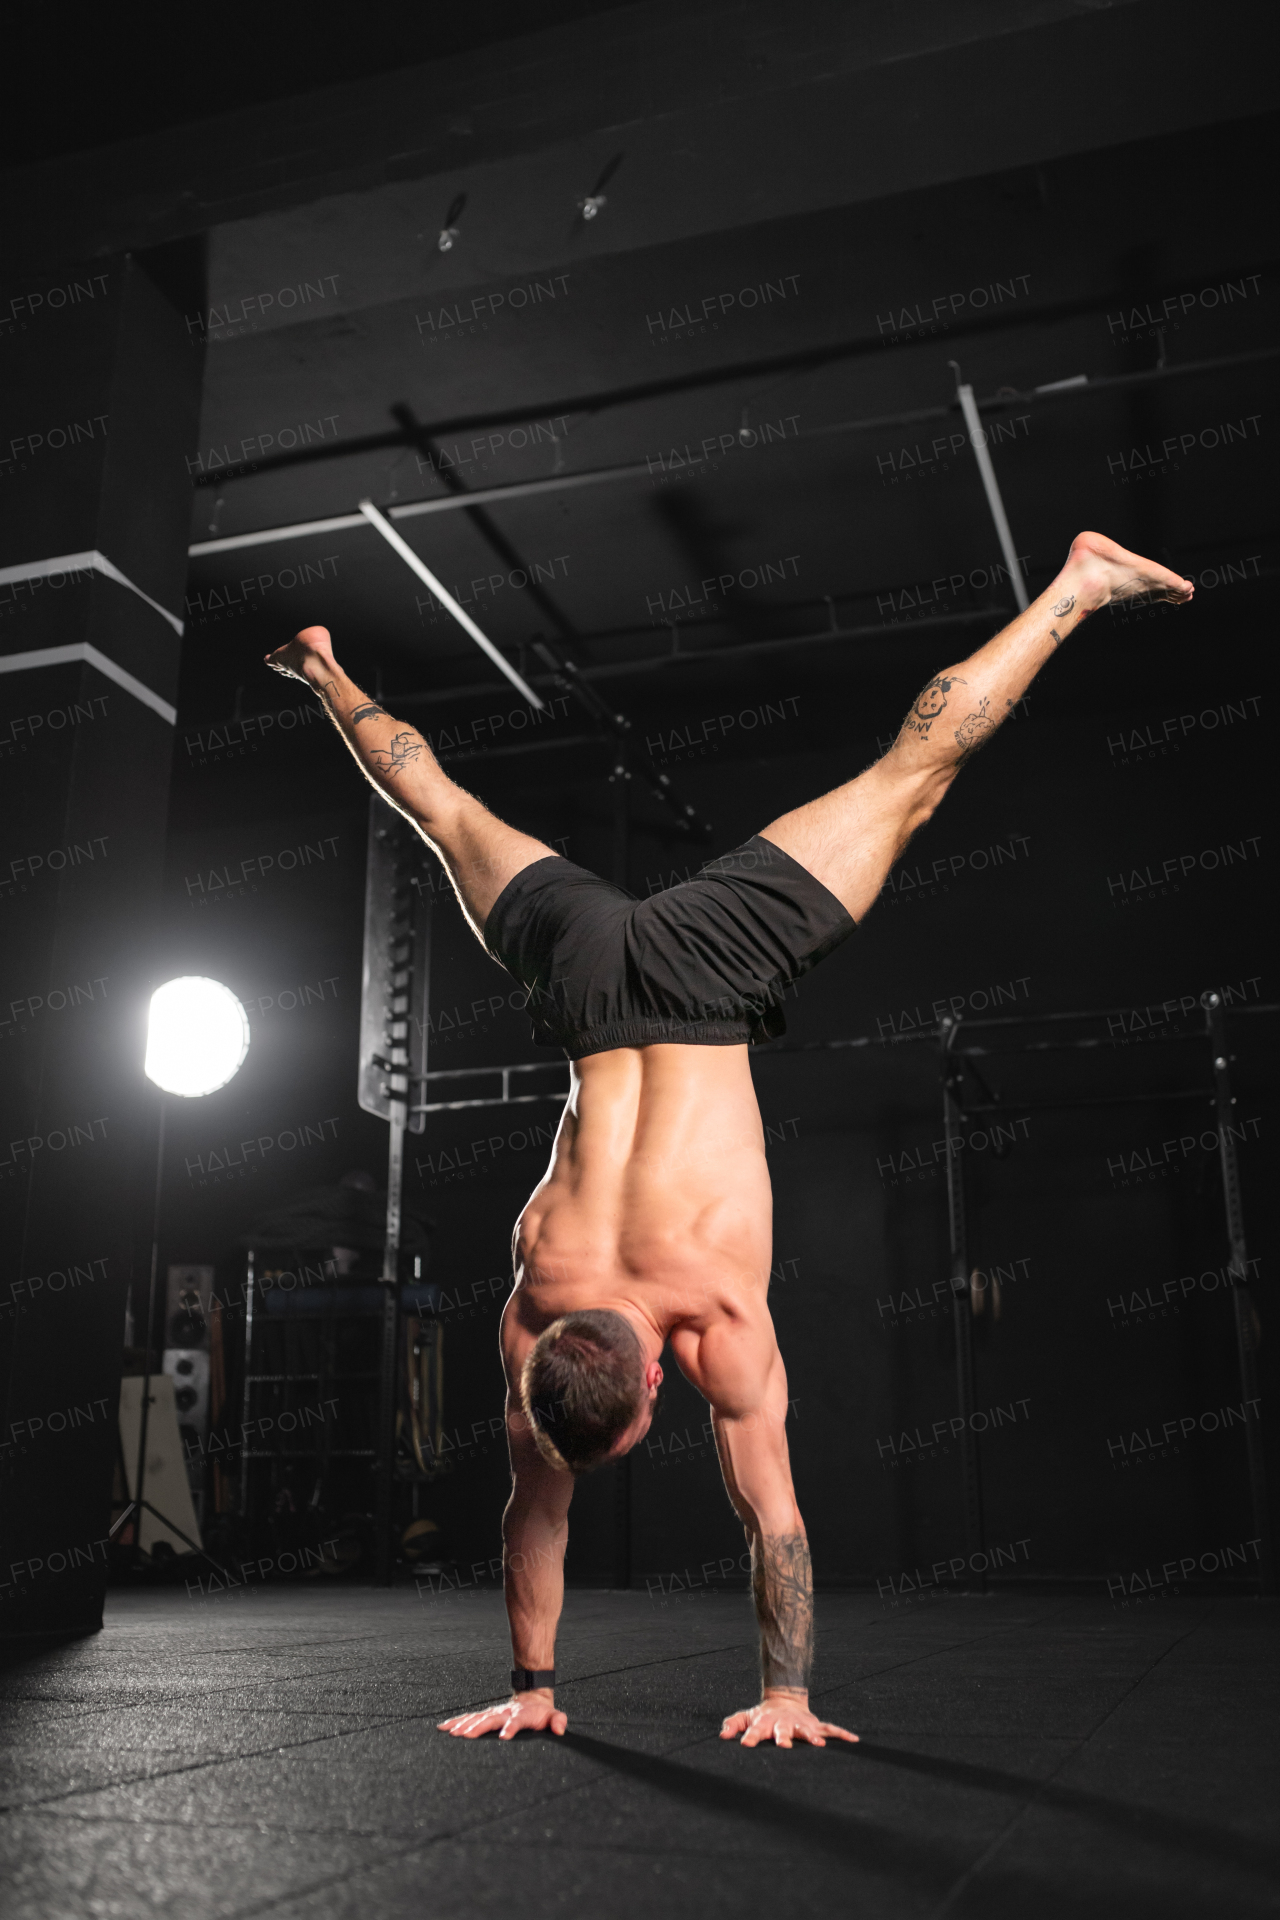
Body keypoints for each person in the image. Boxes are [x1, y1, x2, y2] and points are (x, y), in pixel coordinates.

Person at [266, 531, 1192, 1748]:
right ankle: (323, 668)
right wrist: (536, 1689)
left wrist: (784, 1696)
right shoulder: (537, 1308)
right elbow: (539, 1514)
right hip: (589, 984)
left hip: (710, 981)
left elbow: (767, 1521)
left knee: (911, 773)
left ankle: (1077, 582)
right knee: (444, 813)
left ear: (655, 1375)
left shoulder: (714, 1320)